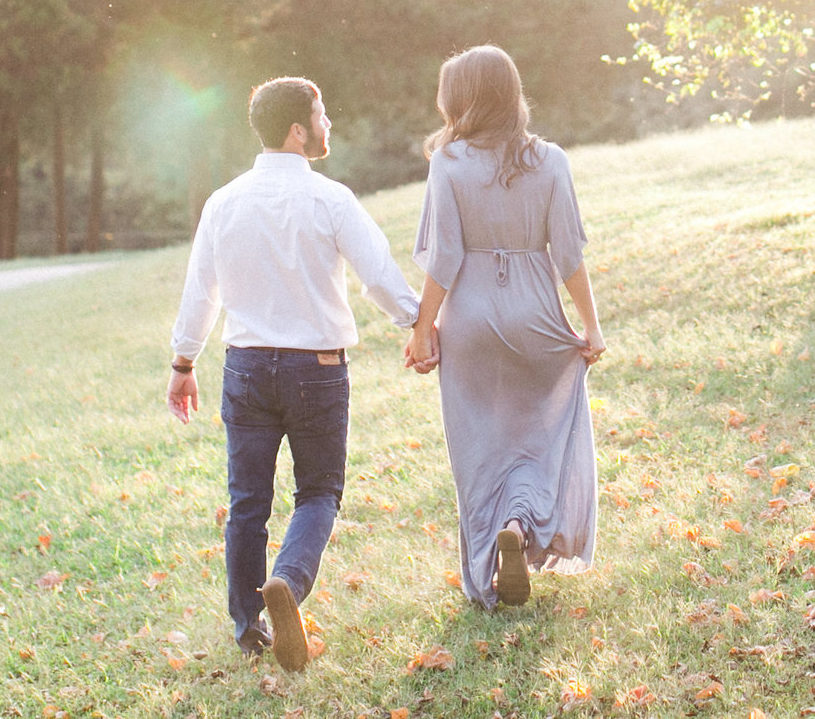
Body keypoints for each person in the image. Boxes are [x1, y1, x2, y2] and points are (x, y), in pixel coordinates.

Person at [167, 76, 425, 671]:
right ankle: (287, 582)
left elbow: (200, 293)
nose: (329, 124)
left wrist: (184, 362)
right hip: (317, 370)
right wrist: (418, 324)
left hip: (247, 369)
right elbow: (379, 276)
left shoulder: (223, 202)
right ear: (297, 130)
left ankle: (248, 626)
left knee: (247, 502)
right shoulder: (331, 199)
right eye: (322, 114)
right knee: (318, 493)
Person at [405, 45, 605, 609]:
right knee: (542, 436)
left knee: (480, 445)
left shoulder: (447, 164)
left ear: (463, 100)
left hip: (469, 317)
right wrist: (590, 326)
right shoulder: (552, 160)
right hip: (535, 314)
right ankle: (521, 526)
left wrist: (423, 328)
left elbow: (443, 257)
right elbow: (567, 255)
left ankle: (486, 564)